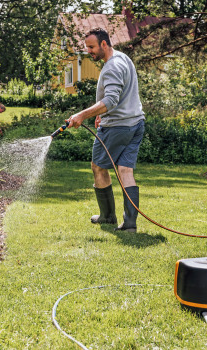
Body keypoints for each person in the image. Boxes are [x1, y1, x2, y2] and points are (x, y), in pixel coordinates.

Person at [66, 28, 145, 233]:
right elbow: (120, 95)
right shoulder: (123, 58)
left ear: (103, 44)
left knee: (98, 167)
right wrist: (102, 113)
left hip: (118, 127)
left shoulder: (111, 67)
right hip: (136, 123)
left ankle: (108, 217)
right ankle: (129, 224)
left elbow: (110, 100)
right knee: (125, 171)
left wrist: (82, 115)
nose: (89, 51)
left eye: (91, 47)